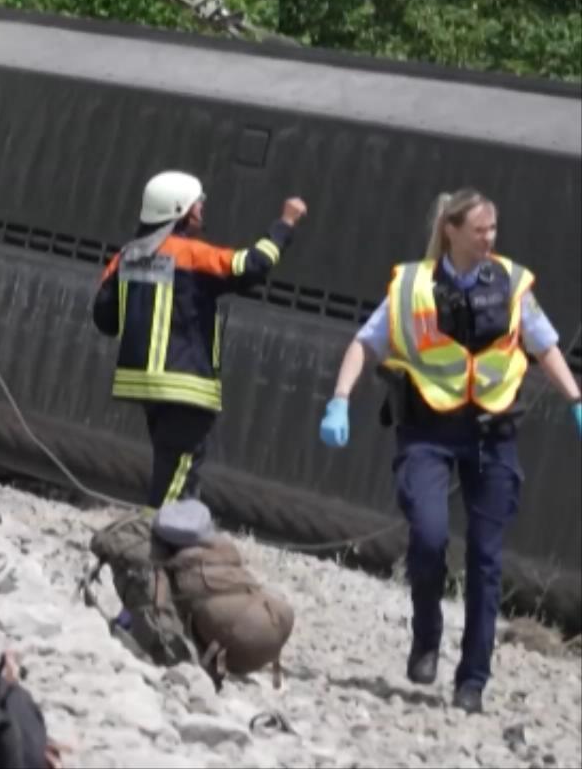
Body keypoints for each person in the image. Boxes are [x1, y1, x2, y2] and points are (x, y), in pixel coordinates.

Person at [320, 189, 582, 714]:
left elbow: (544, 344)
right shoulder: (411, 286)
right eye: (481, 230)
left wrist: (575, 397)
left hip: (492, 435)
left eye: (494, 230)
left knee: (486, 559)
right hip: (429, 432)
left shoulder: (510, 283)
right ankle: (426, 637)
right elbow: (366, 343)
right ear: (451, 231)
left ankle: (473, 681)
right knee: (429, 534)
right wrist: (339, 400)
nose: (491, 238)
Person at [92, 171, 306, 508]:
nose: (202, 210)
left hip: (146, 387)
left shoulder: (126, 257)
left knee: (173, 467)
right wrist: (285, 224)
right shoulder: (192, 255)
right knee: (177, 477)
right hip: (185, 385)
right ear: (182, 210)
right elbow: (253, 264)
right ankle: (153, 541)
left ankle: (173, 542)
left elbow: (104, 317)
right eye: (198, 204)